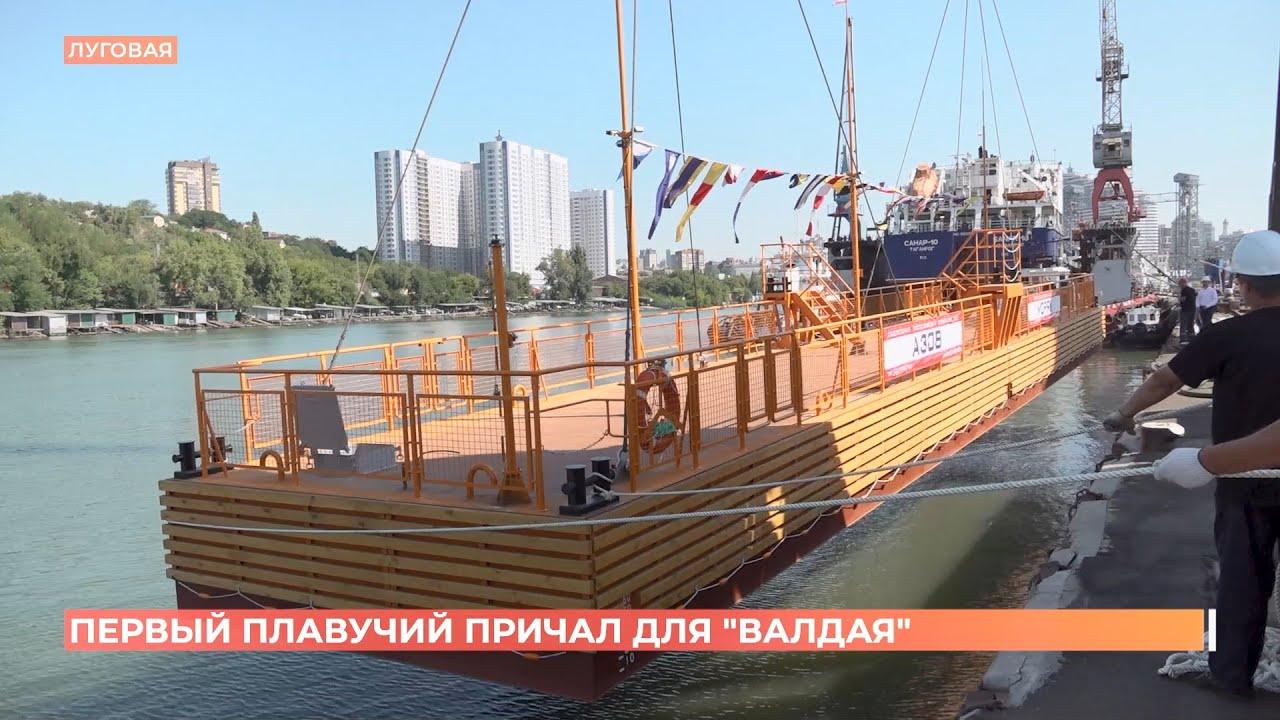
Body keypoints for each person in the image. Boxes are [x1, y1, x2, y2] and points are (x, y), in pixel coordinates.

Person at [1102, 229, 1280, 699]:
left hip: (1241, 479)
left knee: (1242, 581)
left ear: (1242, 284)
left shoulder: (1226, 336)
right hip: (1248, 471)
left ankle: (1231, 677)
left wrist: (1125, 413)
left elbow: (1165, 381)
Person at [1177, 277, 1198, 342]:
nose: (1179, 285)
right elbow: (1195, 297)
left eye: (1180, 284)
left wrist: (1179, 300)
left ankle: (1183, 339)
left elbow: (1183, 300)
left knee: (1183, 324)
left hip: (1185, 310)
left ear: (1183, 283)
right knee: (1190, 324)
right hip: (1193, 309)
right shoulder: (1192, 290)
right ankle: (1192, 338)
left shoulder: (1184, 290)